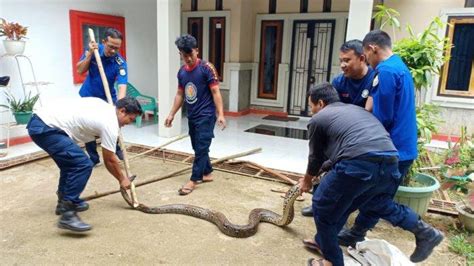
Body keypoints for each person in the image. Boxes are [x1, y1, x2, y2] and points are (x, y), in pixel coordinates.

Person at [299, 83, 443, 266]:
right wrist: (318, 171)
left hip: (358, 164)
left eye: (311, 106)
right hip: (390, 161)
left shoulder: (319, 119)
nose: (311, 111)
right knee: (372, 202)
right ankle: (426, 232)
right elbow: (342, 153)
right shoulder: (356, 111)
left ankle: (332, 261)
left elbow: (315, 157)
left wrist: (306, 181)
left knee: (322, 205)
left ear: (320, 103)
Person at [337, 30, 443, 262]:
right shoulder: (399, 66)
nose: (367, 59)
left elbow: (381, 118)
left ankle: (425, 232)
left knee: (374, 198)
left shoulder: (384, 71)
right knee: (377, 194)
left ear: (372, 48)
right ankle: (356, 233)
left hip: (391, 149)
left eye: (366, 53)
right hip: (404, 147)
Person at [27, 96, 142, 232]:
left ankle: (63, 202)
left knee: (70, 164)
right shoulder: (109, 123)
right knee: (82, 164)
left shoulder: (105, 108)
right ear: (122, 111)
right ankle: (67, 214)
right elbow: (109, 159)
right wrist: (122, 179)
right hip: (46, 128)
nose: (129, 123)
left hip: (42, 123)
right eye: (131, 119)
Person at [301, 39, 376, 217]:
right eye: (341, 60)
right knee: (322, 158)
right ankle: (317, 201)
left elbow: (370, 111)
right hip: (338, 130)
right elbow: (330, 107)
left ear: (362, 58)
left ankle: (340, 208)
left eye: (347, 60)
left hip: (360, 133)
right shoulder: (339, 81)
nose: (342, 65)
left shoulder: (373, 79)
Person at [165, 34, 226, 196]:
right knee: (197, 146)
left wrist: (220, 114)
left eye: (190, 55)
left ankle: (194, 179)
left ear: (197, 51)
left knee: (201, 147)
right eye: (184, 56)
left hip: (206, 115)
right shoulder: (182, 73)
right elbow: (180, 95)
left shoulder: (207, 68)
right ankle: (207, 172)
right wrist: (171, 114)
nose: (188, 59)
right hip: (192, 115)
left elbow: (215, 92)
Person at [76, 28, 128, 166]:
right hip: (88, 96)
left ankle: (116, 149)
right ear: (104, 41)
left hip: (107, 98)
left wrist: (121, 104)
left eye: (117, 48)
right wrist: (89, 55)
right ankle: (93, 158)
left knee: (113, 124)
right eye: (111, 47)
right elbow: (80, 70)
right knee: (87, 127)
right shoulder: (94, 50)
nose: (113, 51)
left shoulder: (120, 63)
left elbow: (122, 84)